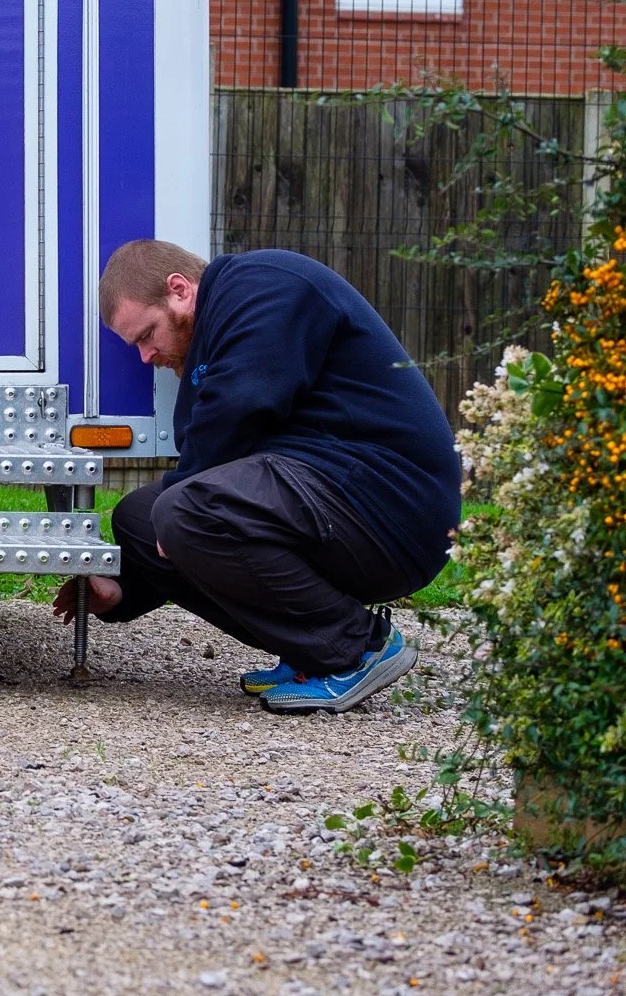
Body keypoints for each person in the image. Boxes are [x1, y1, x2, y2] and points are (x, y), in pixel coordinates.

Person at [54, 240, 460, 714]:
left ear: (180, 290)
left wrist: (180, 509)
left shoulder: (266, 284)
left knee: (183, 510)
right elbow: (212, 450)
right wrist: (121, 590)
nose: (145, 356)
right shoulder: (211, 345)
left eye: (146, 335)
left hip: (391, 508)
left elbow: (241, 406)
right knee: (140, 517)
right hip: (329, 498)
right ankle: (314, 652)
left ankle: (356, 648)